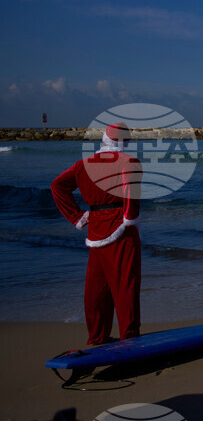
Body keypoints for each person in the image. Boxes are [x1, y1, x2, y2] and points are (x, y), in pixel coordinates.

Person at [51, 123, 143, 345]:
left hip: (95, 228)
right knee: (125, 285)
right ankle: (129, 337)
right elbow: (130, 195)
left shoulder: (82, 165)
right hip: (121, 228)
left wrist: (77, 216)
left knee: (96, 288)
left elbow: (57, 186)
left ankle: (97, 336)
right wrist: (129, 218)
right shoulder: (129, 162)